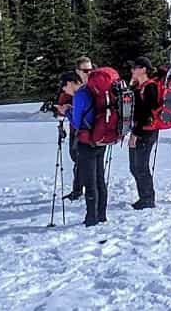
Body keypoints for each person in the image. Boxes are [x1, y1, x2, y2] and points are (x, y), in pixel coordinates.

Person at [69, 62, 109, 226]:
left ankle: (91, 217)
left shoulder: (82, 94)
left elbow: (78, 123)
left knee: (90, 180)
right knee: (99, 178)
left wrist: (67, 112)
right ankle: (101, 215)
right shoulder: (98, 90)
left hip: (88, 140)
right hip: (102, 137)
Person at [127, 58, 162, 209]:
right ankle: (145, 197)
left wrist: (136, 133)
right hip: (139, 130)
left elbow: (147, 113)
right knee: (135, 166)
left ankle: (148, 199)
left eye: (134, 68)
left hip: (146, 132)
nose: (132, 70)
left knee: (140, 166)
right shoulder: (138, 87)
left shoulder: (150, 88)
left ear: (143, 69)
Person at [59, 56, 93, 202]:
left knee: (86, 163)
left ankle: (85, 192)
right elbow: (62, 103)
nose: (89, 73)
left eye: (91, 69)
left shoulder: (93, 86)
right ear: (77, 71)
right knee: (76, 159)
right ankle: (78, 189)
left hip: (90, 132)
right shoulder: (71, 85)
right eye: (85, 70)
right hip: (77, 131)